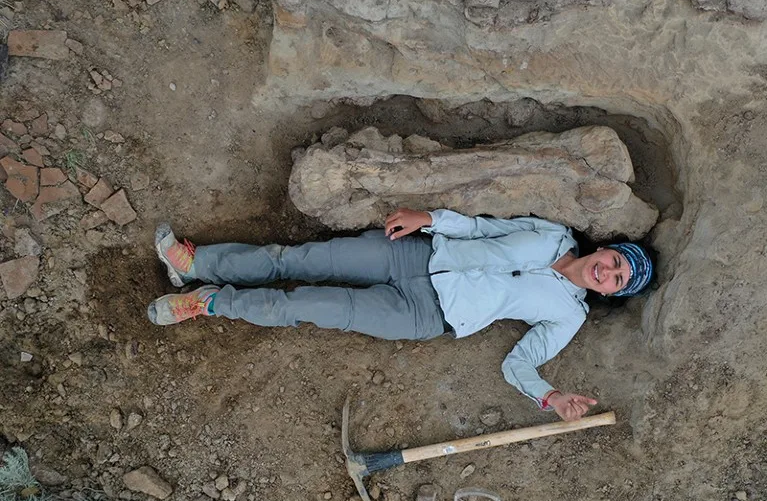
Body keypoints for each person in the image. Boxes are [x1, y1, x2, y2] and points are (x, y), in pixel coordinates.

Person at [147, 208, 654, 421]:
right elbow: (481, 228)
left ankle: (209, 300)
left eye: (616, 281)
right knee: (299, 258)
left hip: (424, 314)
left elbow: (518, 364)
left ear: (610, 295)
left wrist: (551, 395)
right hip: (415, 254)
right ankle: (198, 262)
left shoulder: (568, 317)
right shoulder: (554, 234)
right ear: (607, 248)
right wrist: (431, 218)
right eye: (614, 262)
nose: (607, 273)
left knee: (305, 304)